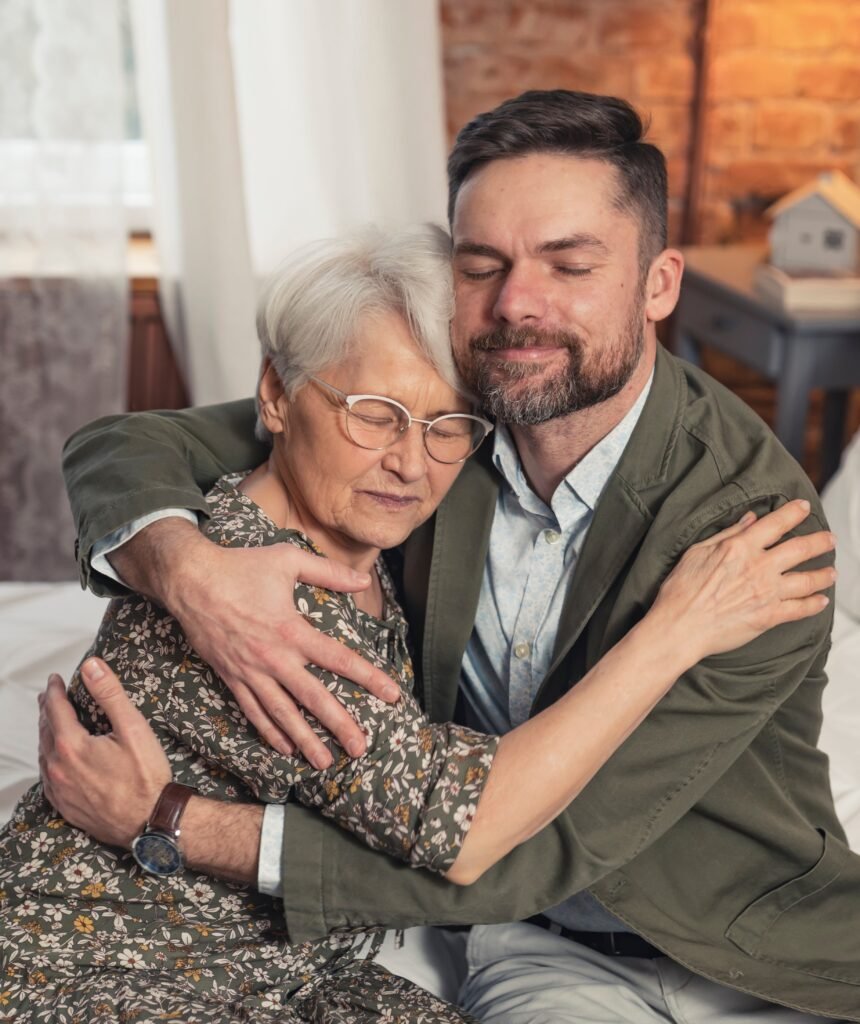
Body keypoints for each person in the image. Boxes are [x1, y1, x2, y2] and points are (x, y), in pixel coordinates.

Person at [46, 91, 857, 1022]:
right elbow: (124, 447)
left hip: (752, 949)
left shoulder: (751, 534)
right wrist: (193, 576)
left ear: (658, 283)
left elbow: (516, 848)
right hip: (548, 951)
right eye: (483, 265)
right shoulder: (437, 435)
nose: (518, 304)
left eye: (570, 264)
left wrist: (177, 823)